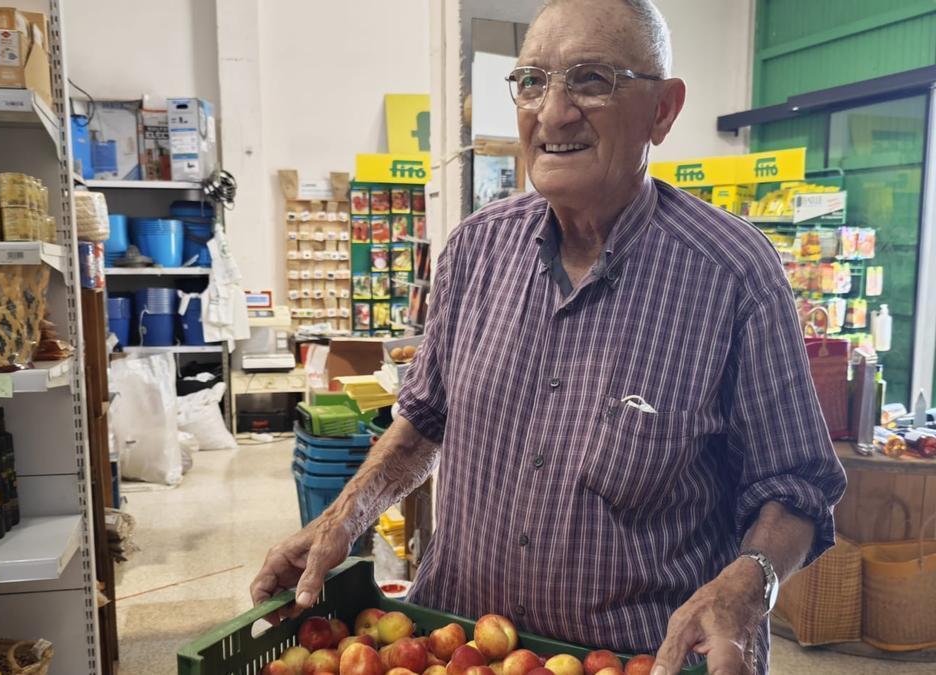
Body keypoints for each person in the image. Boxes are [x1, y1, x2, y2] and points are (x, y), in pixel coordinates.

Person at [251, 1, 846, 672]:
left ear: (663, 110)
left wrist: (751, 581)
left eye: (591, 79)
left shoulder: (734, 275)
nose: (553, 112)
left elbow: (796, 484)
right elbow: (422, 422)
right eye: (532, 80)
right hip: (461, 647)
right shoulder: (476, 250)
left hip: (636, 658)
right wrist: (341, 519)